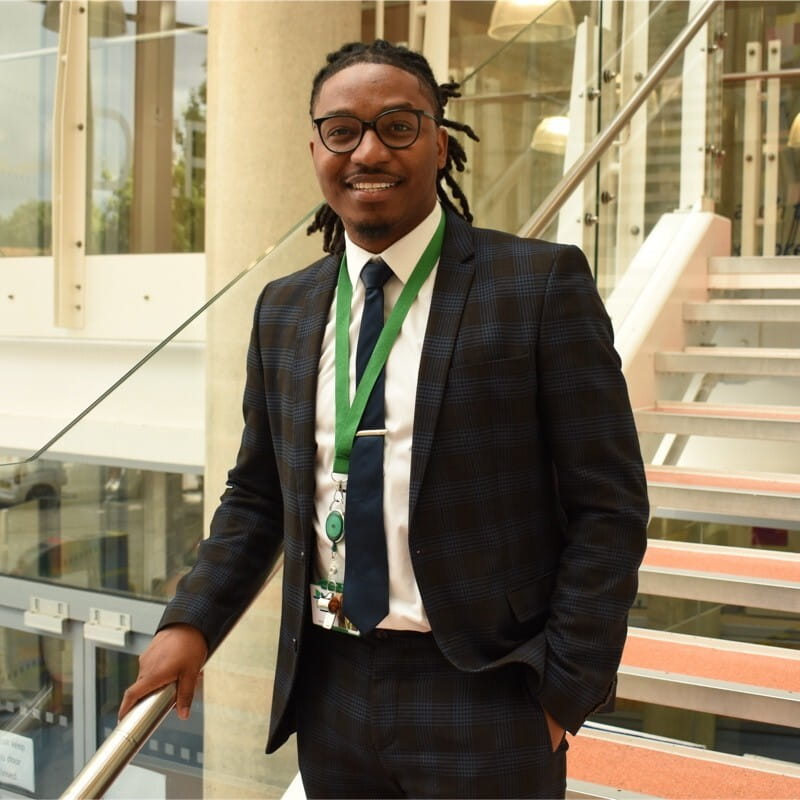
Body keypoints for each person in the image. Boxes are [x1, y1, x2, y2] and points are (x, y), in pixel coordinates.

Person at [120, 39, 649, 799]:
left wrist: (567, 688)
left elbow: (611, 504)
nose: (368, 150)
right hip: (333, 688)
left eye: (398, 126)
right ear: (315, 149)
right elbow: (258, 496)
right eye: (343, 131)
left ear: (439, 141)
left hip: (488, 688)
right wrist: (190, 622)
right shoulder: (287, 309)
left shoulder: (537, 286)